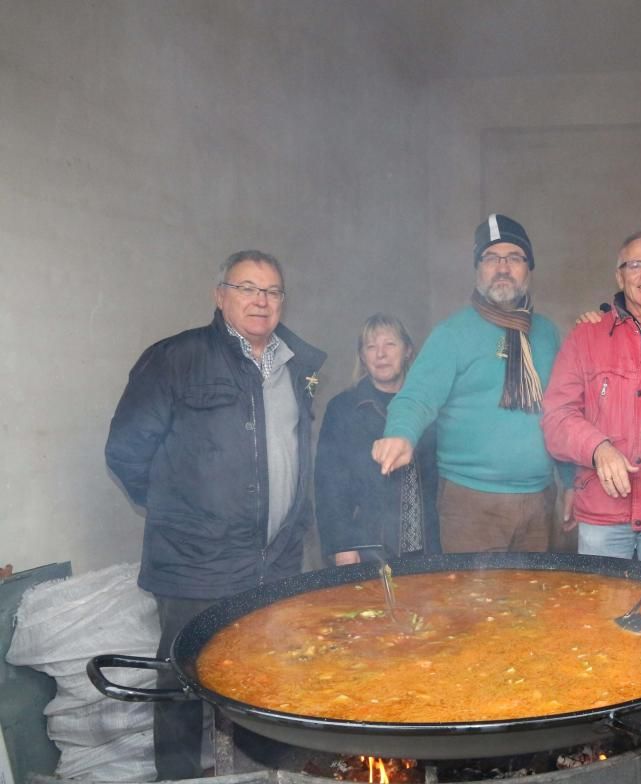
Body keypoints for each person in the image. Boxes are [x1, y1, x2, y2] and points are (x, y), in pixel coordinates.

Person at [105, 250, 325, 780]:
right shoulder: (176, 358)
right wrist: (178, 513)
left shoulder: (297, 367)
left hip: (272, 565)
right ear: (219, 294)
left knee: (262, 682)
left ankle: (253, 774)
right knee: (181, 683)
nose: (260, 300)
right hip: (193, 563)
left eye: (272, 291)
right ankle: (178, 778)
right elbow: (126, 451)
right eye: (247, 288)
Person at [372, 214, 571, 552]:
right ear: (478, 269)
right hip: (471, 506)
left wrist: (571, 483)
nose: (503, 267)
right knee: (474, 606)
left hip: (539, 501)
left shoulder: (548, 333)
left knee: (534, 604)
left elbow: (563, 412)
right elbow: (416, 397)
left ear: (529, 269)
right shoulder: (452, 334)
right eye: (491, 258)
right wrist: (400, 433)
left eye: (514, 258)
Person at [541, 231, 641, 560]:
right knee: (602, 610)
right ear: (619, 275)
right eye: (636, 265)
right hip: (602, 513)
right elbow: (556, 418)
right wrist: (598, 448)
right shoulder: (587, 336)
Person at [315, 314, 438, 564]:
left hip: (427, 546)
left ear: (408, 351)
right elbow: (329, 486)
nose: (380, 354)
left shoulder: (426, 407)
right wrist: (343, 546)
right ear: (362, 357)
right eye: (371, 346)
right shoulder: (344, 408)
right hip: (368, 548)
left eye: (390, 344)